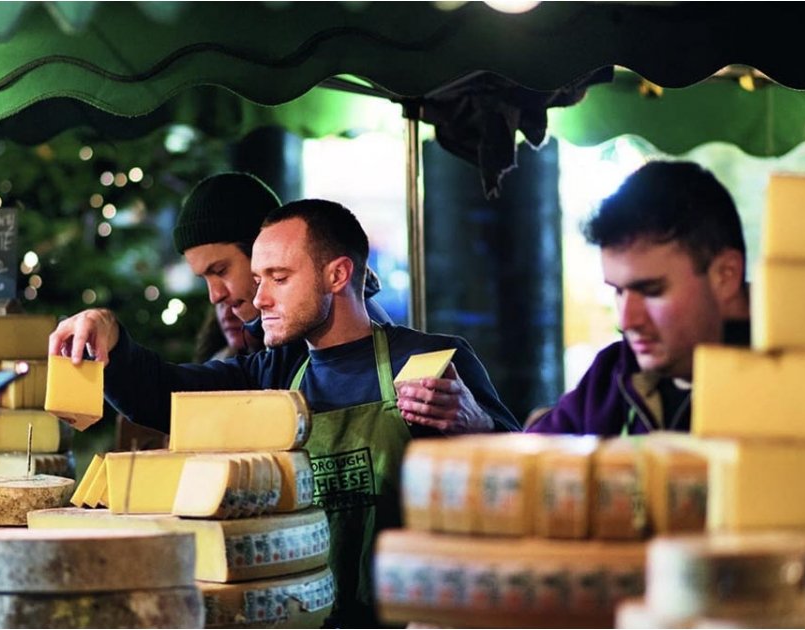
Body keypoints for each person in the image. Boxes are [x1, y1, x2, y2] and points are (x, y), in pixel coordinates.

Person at [51, 199, 519, 626]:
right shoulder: (271, 374)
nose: (258, 301)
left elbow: (520, 489)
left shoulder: (433, 361)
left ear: (337, 275)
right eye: (257, 281)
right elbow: (163, 396)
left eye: (278, 278)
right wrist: (108, 333)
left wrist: (477, 425)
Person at [528, 161, 749, 435]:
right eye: (619, 291)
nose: (627, 321)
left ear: (726, 275)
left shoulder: (804, 374)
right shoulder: (609, 376)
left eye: (651, 291)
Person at [174, 171, 393, 349]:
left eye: (221, 270)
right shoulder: (261, 343)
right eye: (204, 278)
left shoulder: (329, 336)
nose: (215, 295)